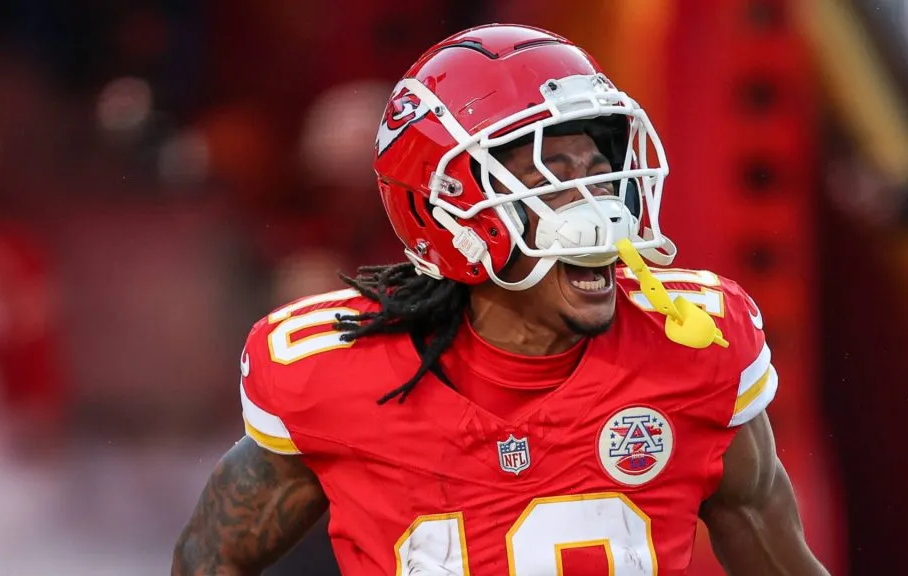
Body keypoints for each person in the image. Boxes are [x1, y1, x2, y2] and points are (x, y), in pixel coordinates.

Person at [172, 24, 829, 575]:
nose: (601, 209)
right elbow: (210, 559)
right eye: (553, 182)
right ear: (453, 216)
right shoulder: (335, 378)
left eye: (601, 175)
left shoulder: (695, 351)